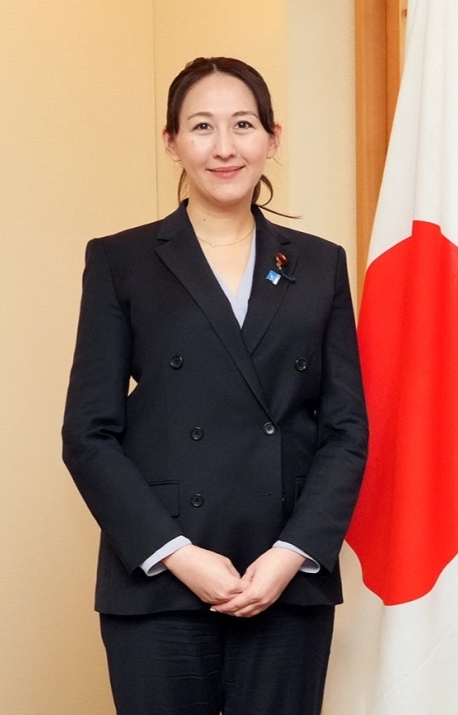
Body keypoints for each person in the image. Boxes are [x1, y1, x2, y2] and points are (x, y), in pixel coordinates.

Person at [62, 56, 367, 714]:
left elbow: (346, 430)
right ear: (170, 140)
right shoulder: (122, 260)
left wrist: (292, 552)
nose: (224, 147)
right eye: (202, 126)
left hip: (284, 577)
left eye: (243, 125)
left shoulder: (319, 265)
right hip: (160, 580)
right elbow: (88, 434)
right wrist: (175, 552)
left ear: (272, 137)